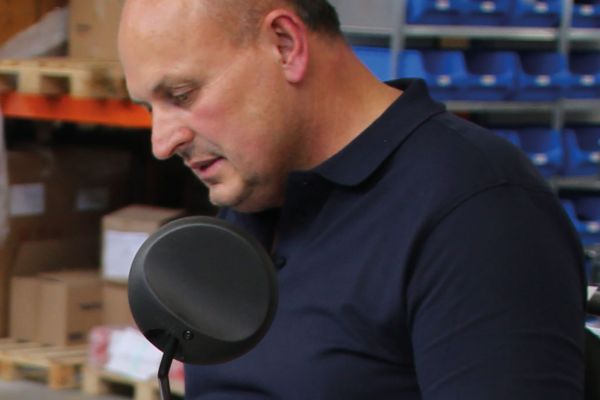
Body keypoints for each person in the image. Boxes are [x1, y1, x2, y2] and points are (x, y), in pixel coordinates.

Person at [118, 0, 586, 398]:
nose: (161, 143)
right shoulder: (256, 189)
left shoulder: (479, 212)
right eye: (148, 107)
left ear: (285, 45)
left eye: (182, 94)